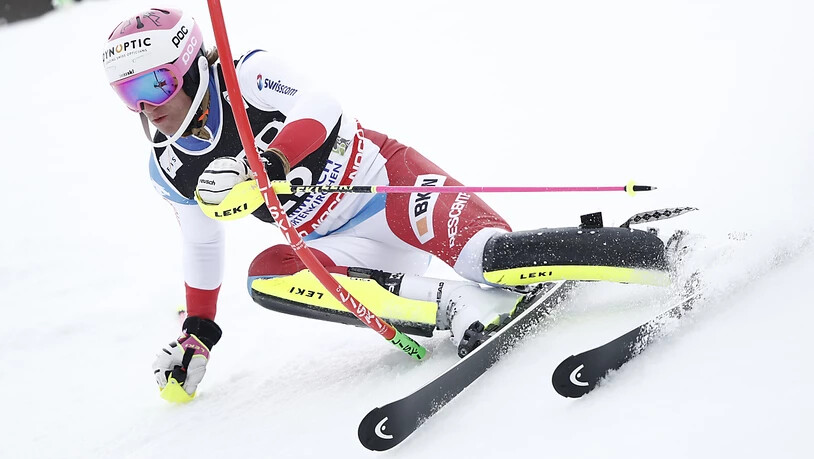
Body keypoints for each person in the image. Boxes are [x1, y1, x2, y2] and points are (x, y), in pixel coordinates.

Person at [102, 8, 669, 401]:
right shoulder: (169, 165)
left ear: (187, 65)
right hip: (339, 244)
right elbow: (202, 241)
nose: (145, 108)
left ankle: (653, 250)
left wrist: (272, 163)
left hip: (386, 184)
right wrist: (199, 330)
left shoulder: (242, 71)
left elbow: (322, 106)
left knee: (494, 259)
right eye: (127, 93)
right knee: (267, 276)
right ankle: (460, 307)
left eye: (153, 86)